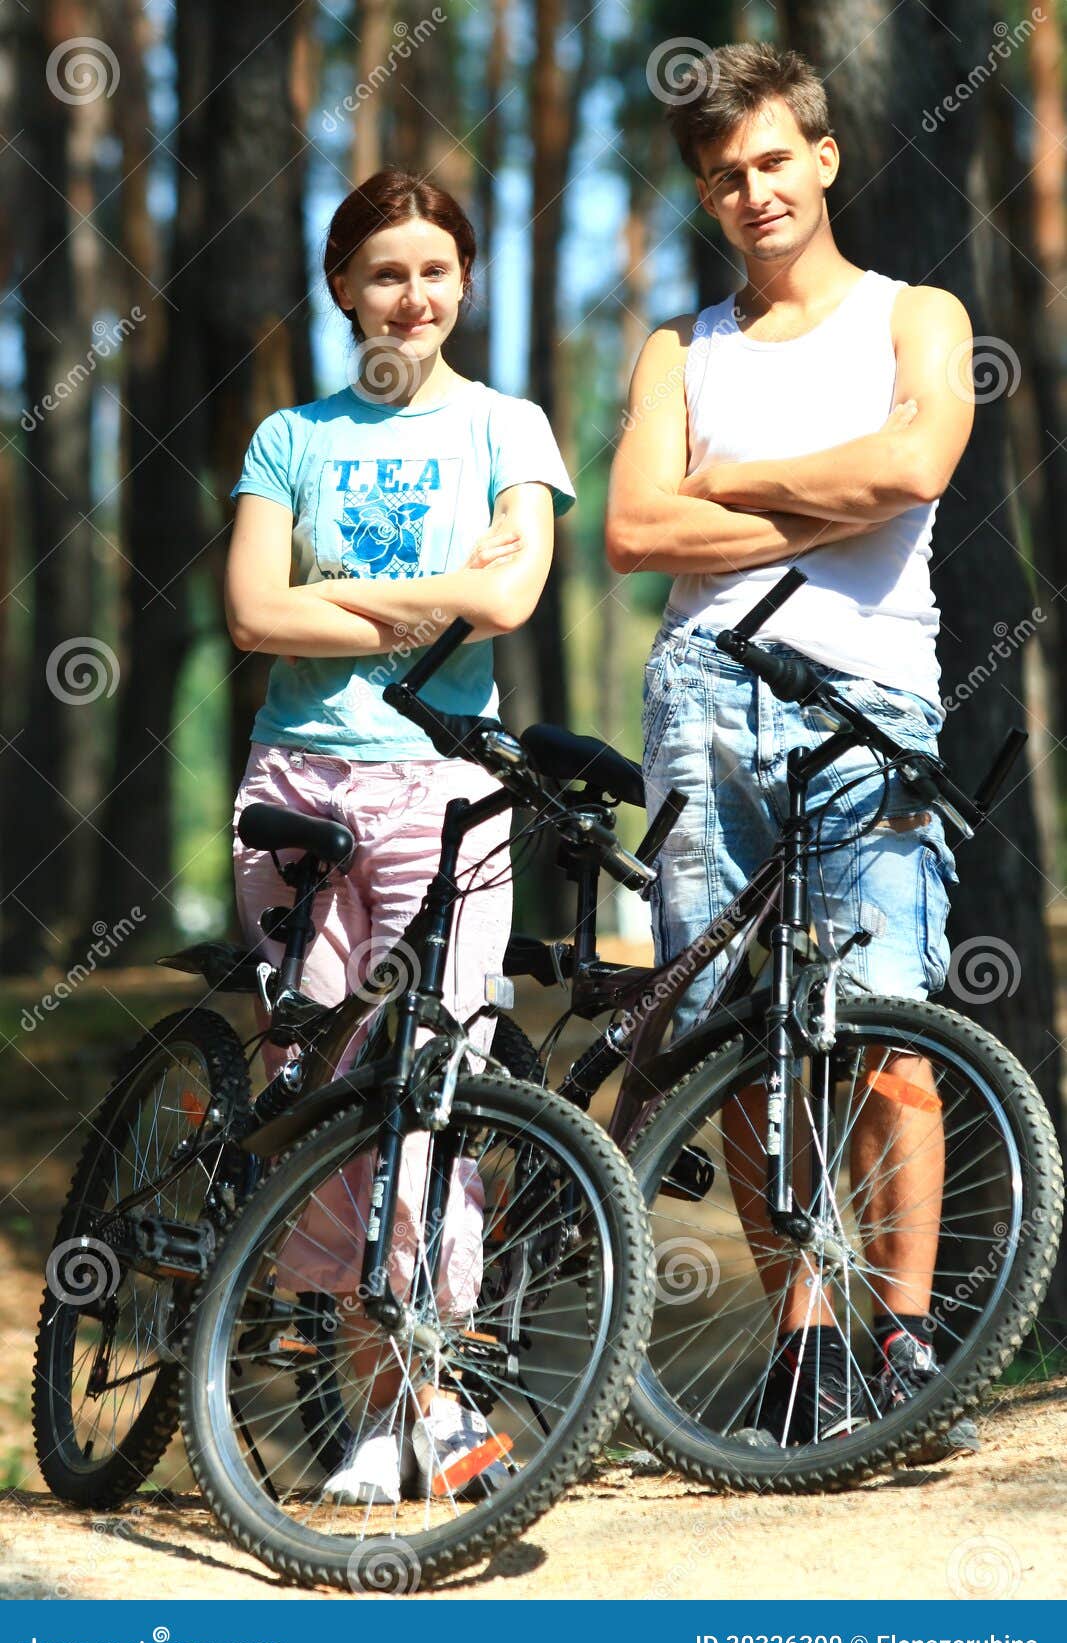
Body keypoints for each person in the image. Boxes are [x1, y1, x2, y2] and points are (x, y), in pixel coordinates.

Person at [606, 43, 978, 1455]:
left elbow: (915, 468)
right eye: (721, 176)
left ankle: (908, 1339)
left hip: (868, 697)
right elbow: (640, 533)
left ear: (822, 159)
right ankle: (803, 1345)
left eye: (771, 161)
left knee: (887, 1033)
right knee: (738, 1051)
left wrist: (736, 482)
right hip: (702, 699)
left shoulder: (915, 316)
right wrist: (835, 492)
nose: (750, 191)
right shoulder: (675, 349)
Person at [225, 168, 575, 1501]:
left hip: (445, 785)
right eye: (384, 272)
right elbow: (258, 613)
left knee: (437, 1079)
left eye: (435, 268)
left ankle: (428, 1387)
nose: (412, 294)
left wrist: (343, 588)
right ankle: (379, 1410)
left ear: (465, 281)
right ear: (343, 289)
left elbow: (518, 592)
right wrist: (436, 595)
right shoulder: (289, 437)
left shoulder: (508, 424)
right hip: (297, 783)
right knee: (320, 1089)